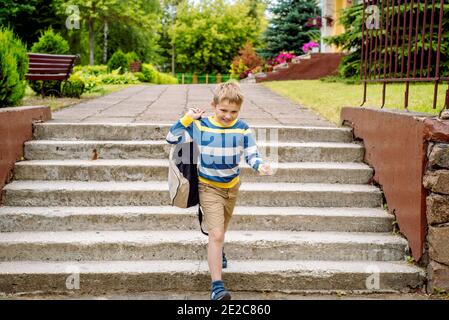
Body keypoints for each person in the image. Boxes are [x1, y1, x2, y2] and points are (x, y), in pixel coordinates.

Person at [166, 80, 272, 300]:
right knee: (216, 233)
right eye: (223, 110)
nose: (228, 115)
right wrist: (188, 118)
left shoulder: (242, 128)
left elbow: (252, 153)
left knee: (221, 230)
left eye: (234, 111)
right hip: (208, 187)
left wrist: (259, 165)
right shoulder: (201, 126)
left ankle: (218, 248)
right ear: (213, 105)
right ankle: (217, 287)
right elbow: (171, 137)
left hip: (231, 187)